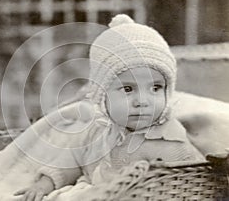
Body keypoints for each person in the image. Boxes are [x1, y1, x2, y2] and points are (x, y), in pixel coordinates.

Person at [13, 14, 205, 201]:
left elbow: (193, 180)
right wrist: (43, 185)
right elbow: (69, 162)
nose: (142, 101)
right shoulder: (97, 131)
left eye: (156, 88)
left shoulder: (167, 140)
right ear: (102, 95)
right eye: (128, 89)